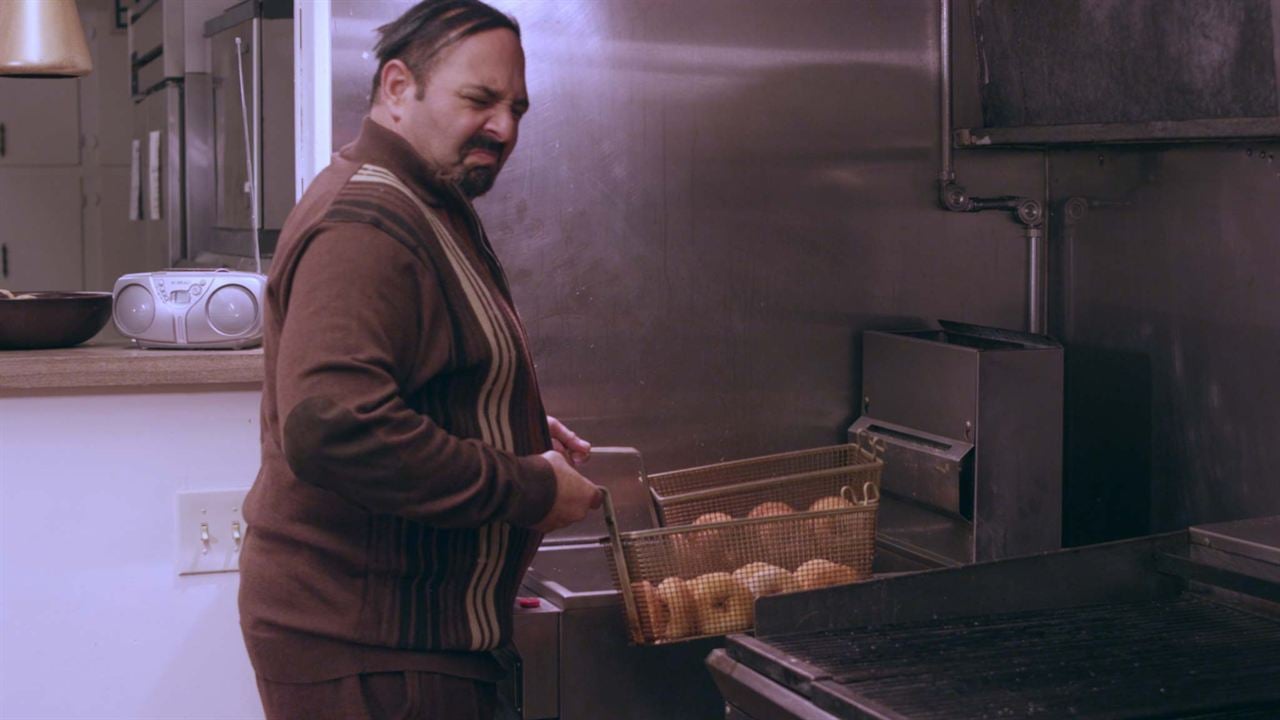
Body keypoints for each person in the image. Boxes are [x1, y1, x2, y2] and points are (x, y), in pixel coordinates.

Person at [237, 2, 603, 718]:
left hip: (401, 643)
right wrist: (526, 486)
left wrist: (503, 419)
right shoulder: (366, 223)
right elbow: (333, 427)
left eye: (517, 108)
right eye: (480, 100)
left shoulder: (420, 196)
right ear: (399, 88)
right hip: (374, 652)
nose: (505, 129)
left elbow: (404, 378)